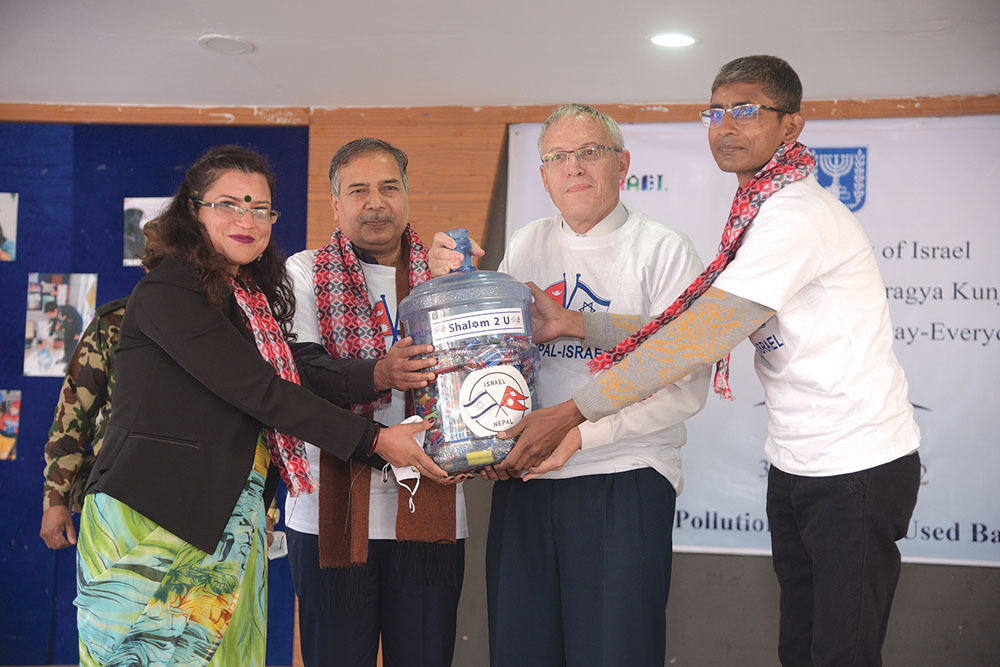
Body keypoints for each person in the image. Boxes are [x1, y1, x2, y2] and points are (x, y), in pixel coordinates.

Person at [504, 57, 922, 666]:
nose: (726, 125)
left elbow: (699, 340)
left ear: (791, 125)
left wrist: (572, 414)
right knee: (802, 649)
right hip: (798, 460)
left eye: (746, 110)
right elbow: (694, 324)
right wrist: (577, 323)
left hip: (855, 464)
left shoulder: (795, 216)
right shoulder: (758, 211)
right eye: (716, 111)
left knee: (841, 653)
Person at [74, 145, 447, 665]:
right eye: (228, 204)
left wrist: (385, 375)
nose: (246, 221)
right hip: (155, 518)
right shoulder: (171, 288)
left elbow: (291, 378)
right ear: (193, 209)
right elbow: (263, 392)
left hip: (227, 516)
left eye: (260, 209)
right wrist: (377, 441)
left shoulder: (247, 296)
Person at [431, 104, 710, 666]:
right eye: (558, 156)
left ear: (622, 164)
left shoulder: (664, 249)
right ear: (543, 176)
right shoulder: (526, 242)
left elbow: (688, 381)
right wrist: (453, 282)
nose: (574, 167)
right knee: (521, 652)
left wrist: (579, 436)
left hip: (623, 474)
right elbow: (494, 355)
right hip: (527, 477)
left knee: (615, 654)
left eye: (590, 152)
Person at [284, 137, 467, 667]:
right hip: (328, 514)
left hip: (432, 506)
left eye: (389, 188)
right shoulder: (304, 270)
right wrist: (380, 373)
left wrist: (464, 282)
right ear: (335, 203)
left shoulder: (444, 274)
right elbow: (303, 372)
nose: (376, 202)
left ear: (406, 195)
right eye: (358, 190)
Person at [40, 296, 127, 550]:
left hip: (204, 506)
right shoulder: (116, 322)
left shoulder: (225, 321)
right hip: (118, 503)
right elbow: (74, 411)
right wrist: (56, 497)